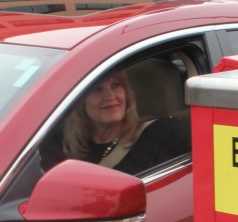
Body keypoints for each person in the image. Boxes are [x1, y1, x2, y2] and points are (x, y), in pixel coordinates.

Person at [42, 70, 191, 176]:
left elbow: (211, 136)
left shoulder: (162, 133)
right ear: (79, 102)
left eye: (116, 85)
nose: (110, 96)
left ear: (127, 93)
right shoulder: (58, 141)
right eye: (97, 89)